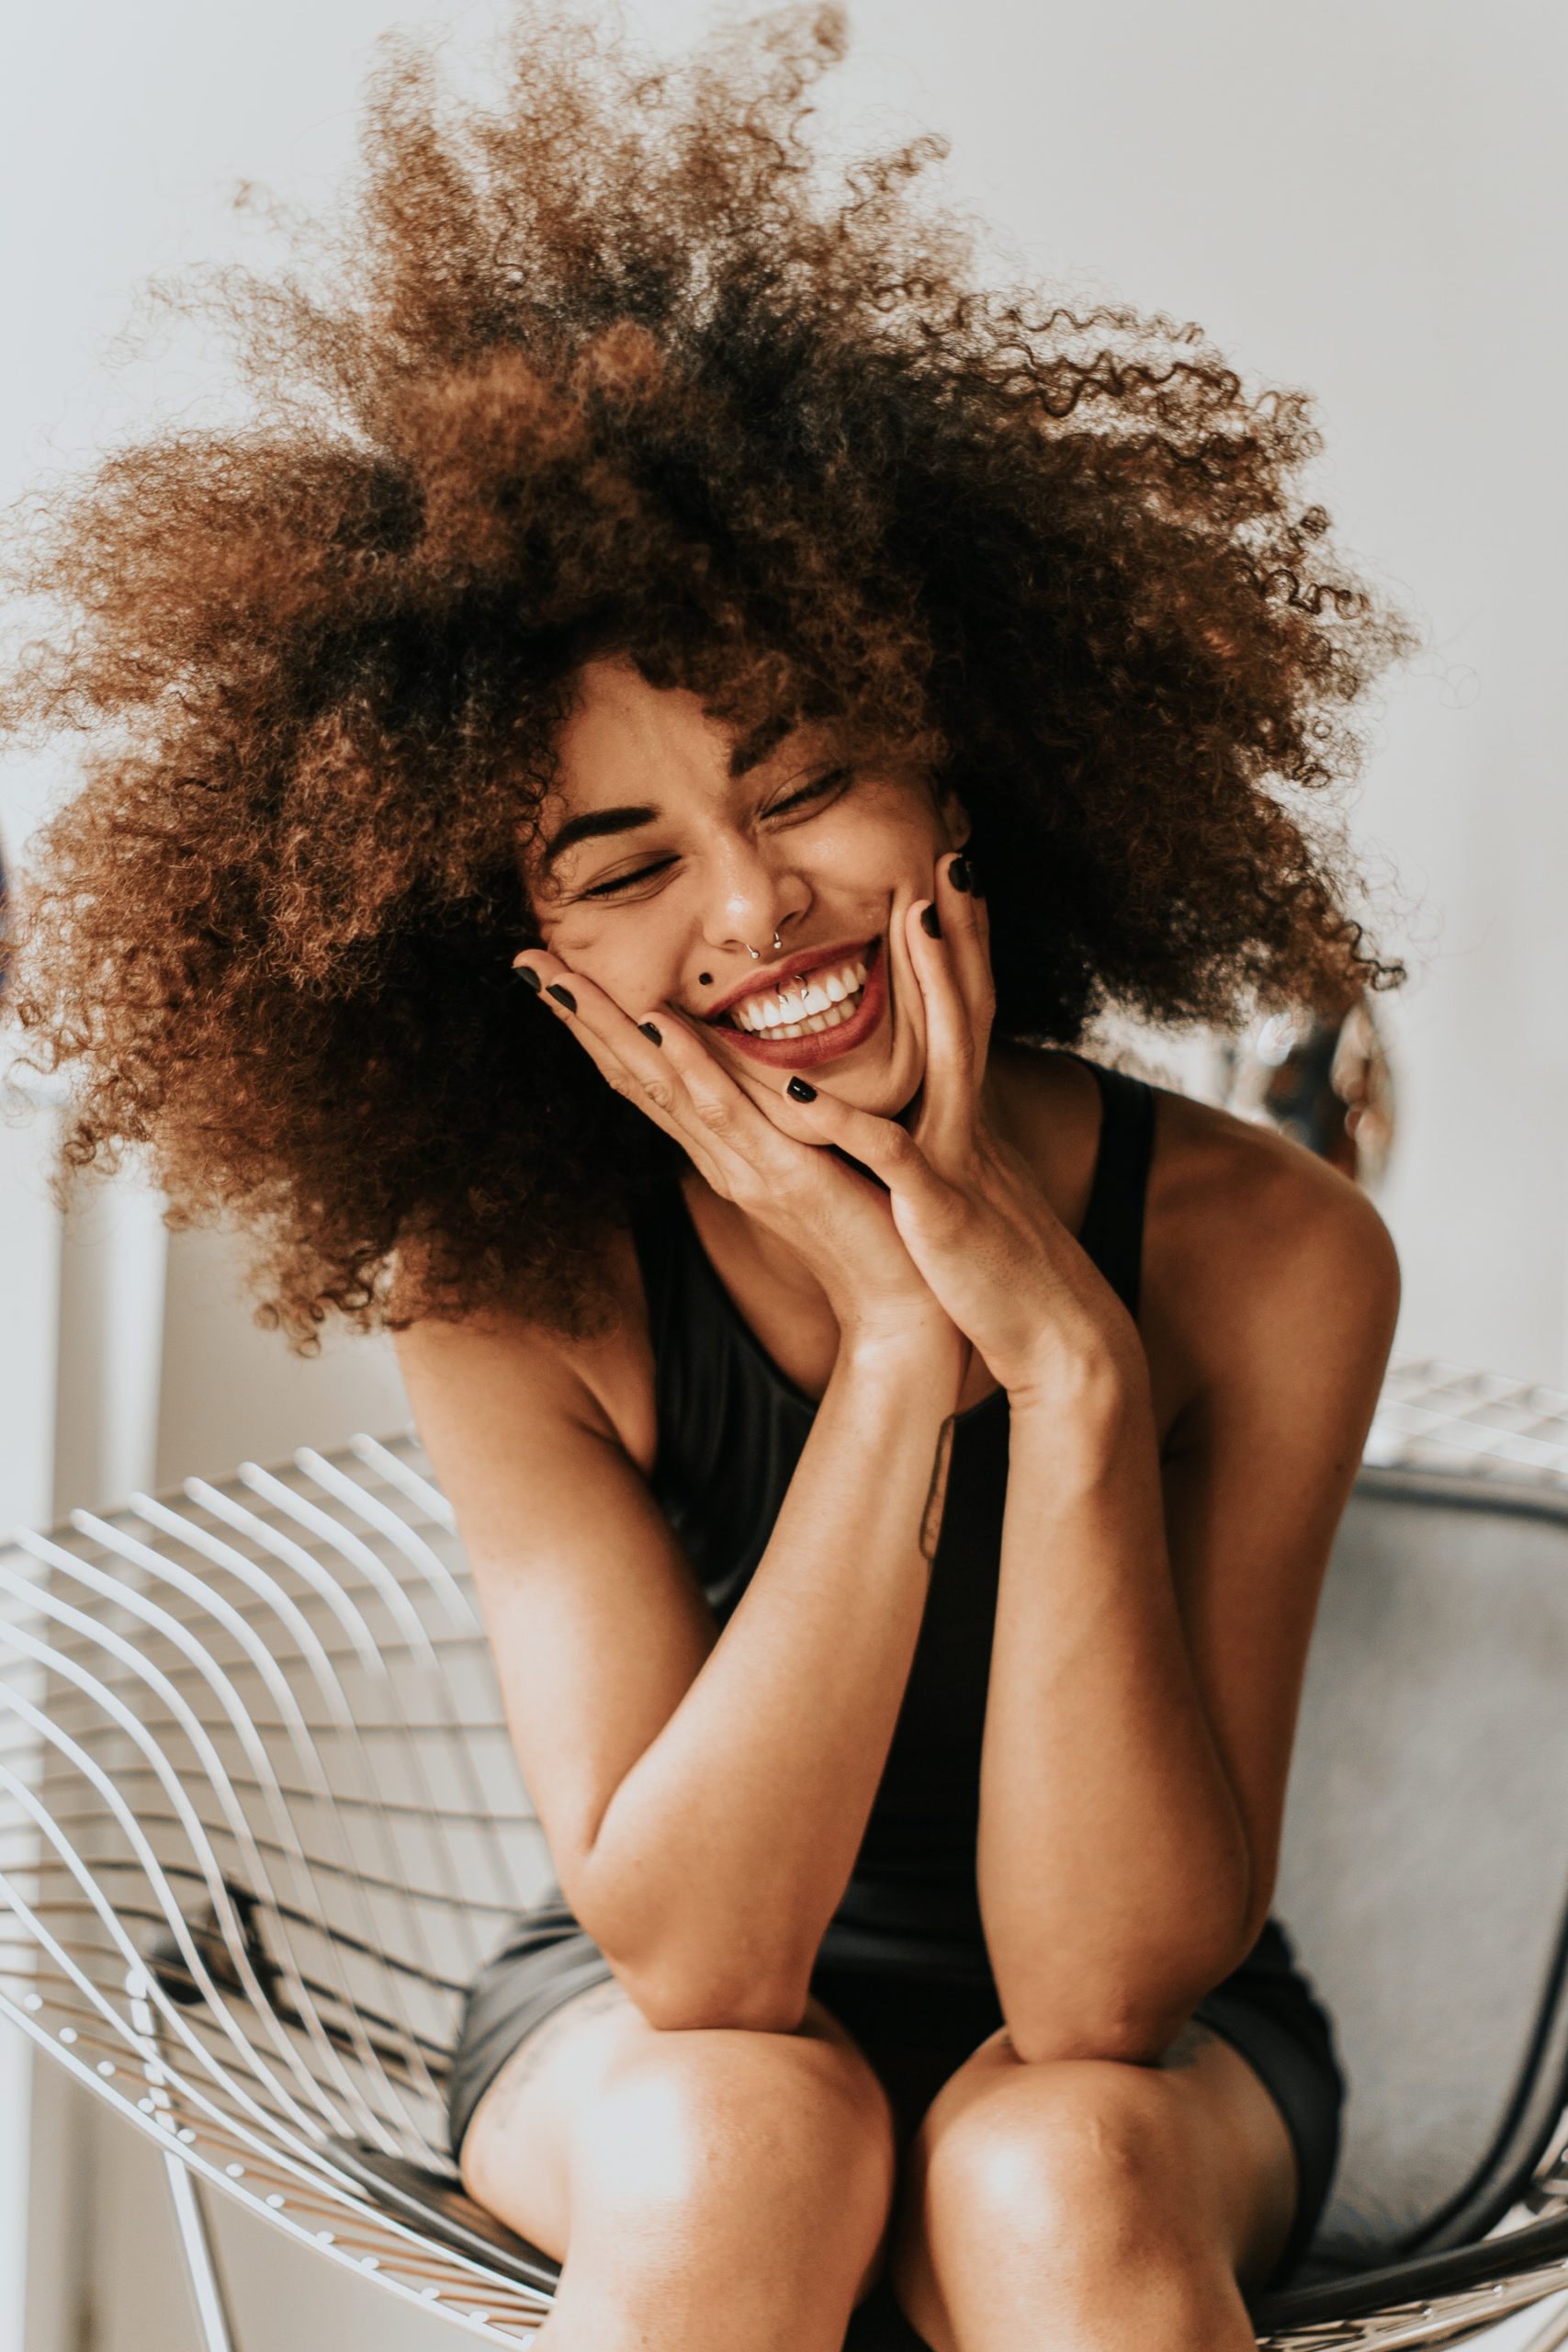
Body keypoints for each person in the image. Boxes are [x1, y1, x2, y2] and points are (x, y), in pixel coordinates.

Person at [1, 7, 1410, 2346]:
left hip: (1158, 2068)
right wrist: (887, 1345)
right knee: (757, 2115)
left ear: (960, 758)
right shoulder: (519, 1285)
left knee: (1044, 2164)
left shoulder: (1268, 1257)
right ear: (527, 958)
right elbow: (702, 1957)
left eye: (803, 782)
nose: (756, 913)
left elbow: (1091, 1995)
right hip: (647, 2031)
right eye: (626, 860)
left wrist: (1054, 1364)